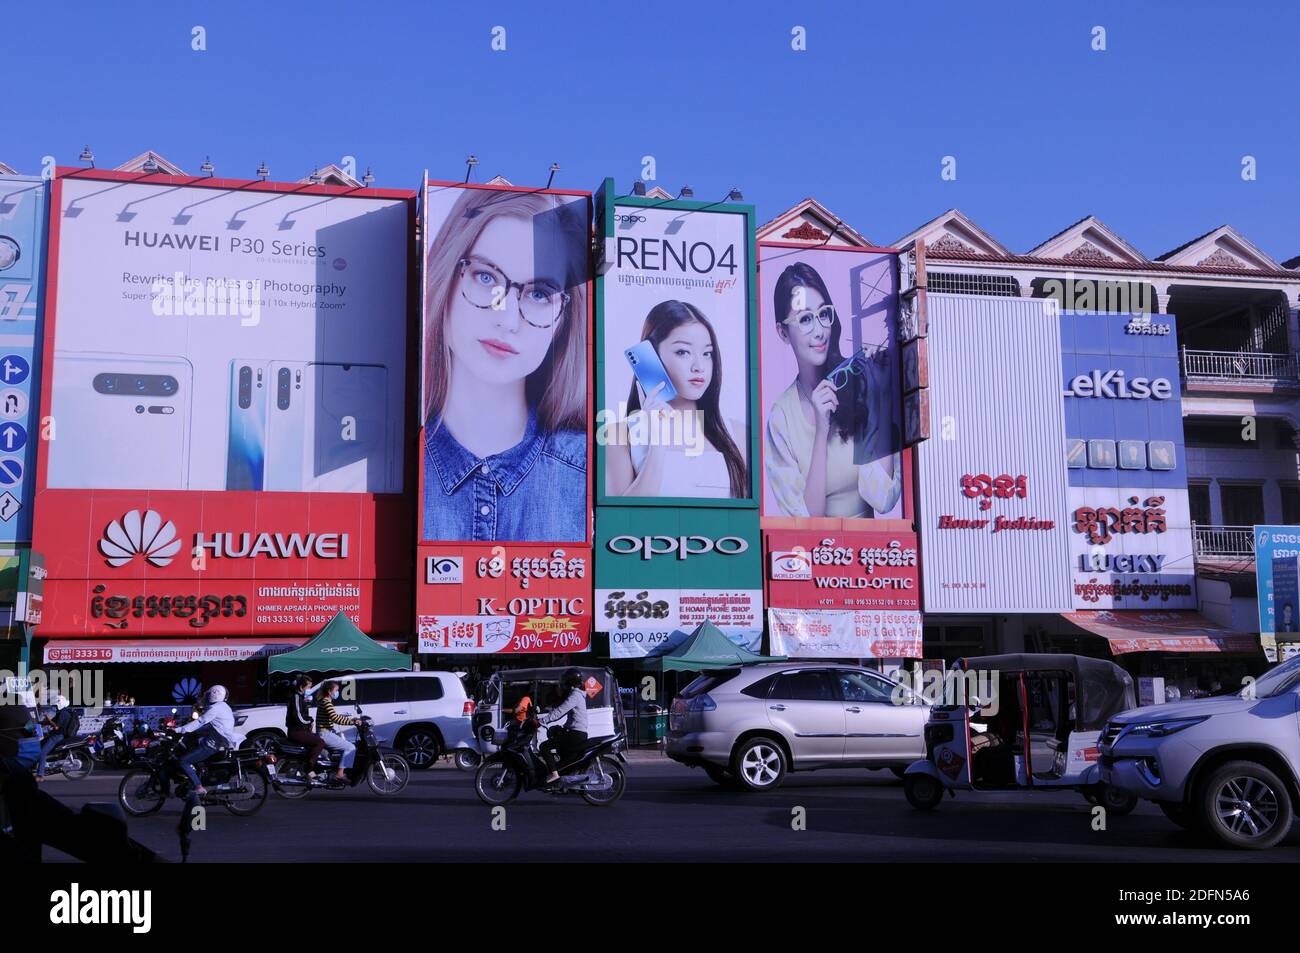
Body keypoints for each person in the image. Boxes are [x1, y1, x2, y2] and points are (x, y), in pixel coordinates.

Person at [422, 188, 589, 543]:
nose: (508, 319)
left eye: (540, 293)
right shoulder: (382, 464)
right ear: (446, 277)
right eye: (486, 277)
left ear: (565, 318)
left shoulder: (589, 474)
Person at [763, 261, 901, 517]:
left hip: (878, 551)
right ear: (782, 332)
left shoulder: (860, 383)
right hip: (816, 553)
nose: (819, 331)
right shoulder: (781, 417)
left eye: (823, 314)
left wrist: (877, 403)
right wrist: (821, 431)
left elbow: (883, 499)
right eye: (805, 319)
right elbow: (807, 520)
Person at [606, 300, 749, 498]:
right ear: (652, 356)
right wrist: (657, 443)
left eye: (707, 353)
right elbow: (622, 522)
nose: (699, 366)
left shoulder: (738, 434)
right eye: (683, 352)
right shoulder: (619, 435)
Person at [175, 685, 238, 796]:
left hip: (211, 745)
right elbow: (211, 725)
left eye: (209, 694)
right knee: (193, 742)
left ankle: (198, 787)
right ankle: (197, 774)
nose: (207, 696)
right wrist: (190, 730)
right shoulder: (224, 706)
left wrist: (179, 730)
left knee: (183, 761)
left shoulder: (215, 709)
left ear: (214, 695)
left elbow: (201, 721)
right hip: (216, 741)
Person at [537, 669, 589, 784]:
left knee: (544, 747)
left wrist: (541, 721)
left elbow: (560, 711)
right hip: (577, 733)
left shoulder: (575, 695)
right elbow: (561, 710)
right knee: (555, 733)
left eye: (565, 680)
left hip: (575, 734)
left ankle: (554, 774)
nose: (563, 683)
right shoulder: (576, 694)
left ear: (570, 681)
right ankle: (562, 775)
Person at [315, 680, 359, 783]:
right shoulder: (326, 702)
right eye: (336, 690)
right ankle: (340, 774)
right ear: (330, 691)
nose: (337, 692)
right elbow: (335, 718)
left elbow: (335, 717)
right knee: (350, 747)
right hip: (324, 734)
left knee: (345, 743)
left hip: (327, 732)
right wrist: (353, 722)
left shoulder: (326, 701)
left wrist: (352, 720)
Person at [285, 675, 326, 778]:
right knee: (320, 742)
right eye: (308, 687)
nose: (309, 689)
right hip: (296, 731)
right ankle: (309, 768)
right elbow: (298, 716)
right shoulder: (296, 697)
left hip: (301, 730)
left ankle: (311, 770)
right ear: (301, 687)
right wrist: (309, 721)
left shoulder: (301, 697)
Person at [36, 695, 79, 782]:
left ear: (59, 705)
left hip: (58, 736)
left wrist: (49, 720)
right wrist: (39, 723)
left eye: (55, 706)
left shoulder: (63, 714)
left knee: (42, 752)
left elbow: (56, 727)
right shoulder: (62, 712)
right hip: (57, 735)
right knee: (40, 744)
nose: (54, 707)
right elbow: (50, 723)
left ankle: (40, 775)